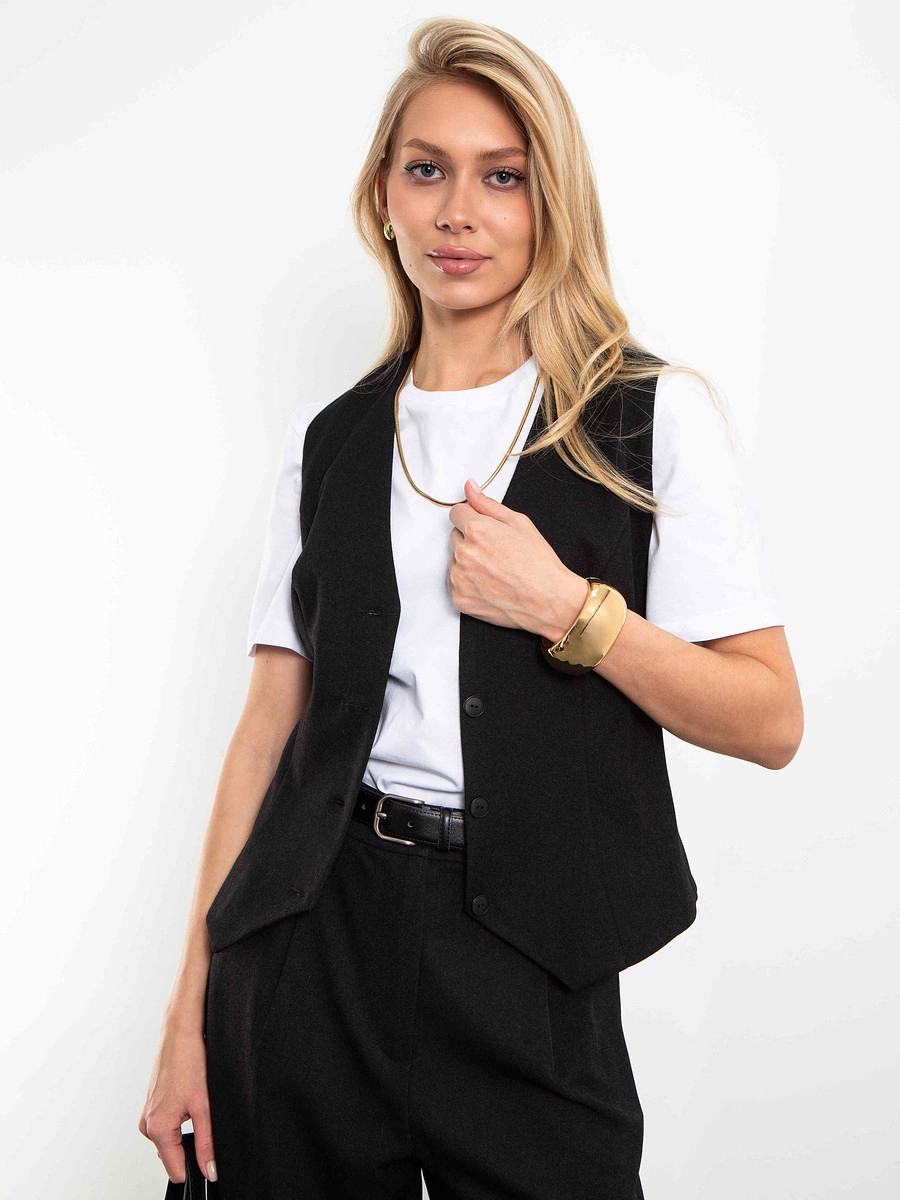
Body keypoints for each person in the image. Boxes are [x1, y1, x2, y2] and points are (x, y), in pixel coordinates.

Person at [139, 16, 803, 1199]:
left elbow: (771, 720)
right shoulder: (334, 442)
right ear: (383, 197)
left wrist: (571, 610)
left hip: (530, 963)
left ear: (553, 203)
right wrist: (185, 1017)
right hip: (311, 952)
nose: (459, 213)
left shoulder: (646, 418)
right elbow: (265, 735)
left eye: (504, 177)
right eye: (427, 170)